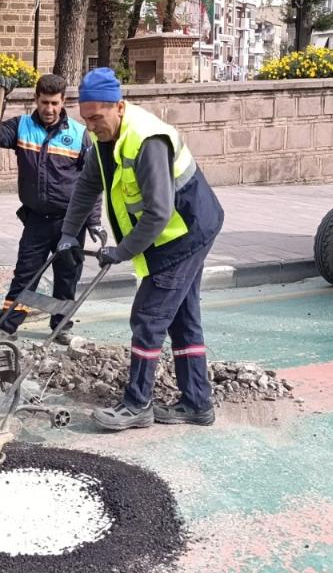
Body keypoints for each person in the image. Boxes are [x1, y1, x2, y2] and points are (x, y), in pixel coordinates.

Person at [58, 67, 225, 431]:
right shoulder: (103, 141)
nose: (91, 127)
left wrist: (122, 251)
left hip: (185, 232)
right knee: (181, 318)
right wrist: (68, 234)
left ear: (119, 106)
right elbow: (87, 188)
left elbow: (159, 213)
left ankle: (137, 405)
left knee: (148, 317)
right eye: (85, 119)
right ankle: (197, 403)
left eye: (97, 118)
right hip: (172, 232)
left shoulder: (147, 140)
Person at [0, 73, 103, 344]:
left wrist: (94, 220)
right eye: (44, 102)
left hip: (71, 222)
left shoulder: (79, 134)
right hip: (36, 220)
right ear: (35, 99)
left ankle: (61, 326)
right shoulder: (21, 126)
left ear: (63, 102)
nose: (49, 109)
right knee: (26, 273)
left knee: (67, 276)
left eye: (55, 103)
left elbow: (94, 181)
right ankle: (6, 327)